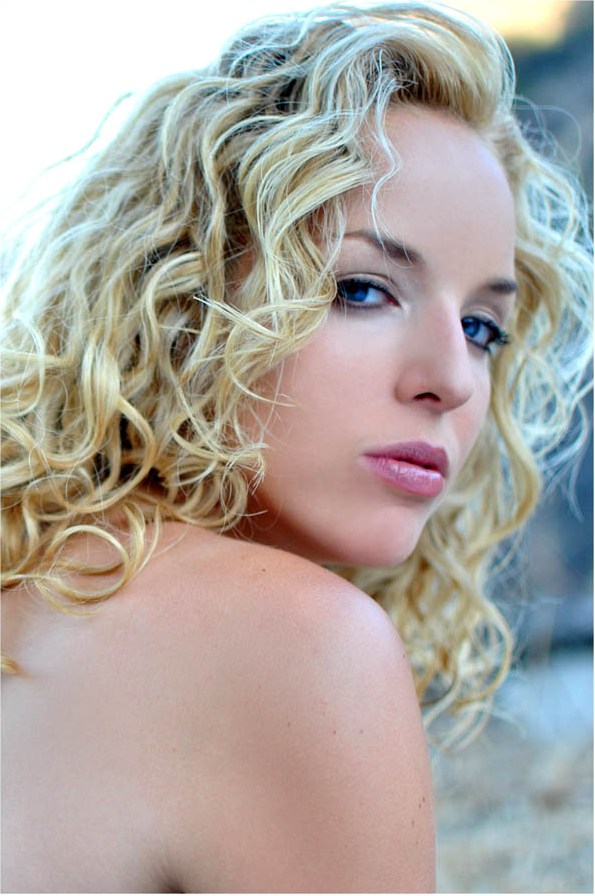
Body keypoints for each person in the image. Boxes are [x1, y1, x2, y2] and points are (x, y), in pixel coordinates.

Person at [1, 2, 591, 892]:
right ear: (187, 292)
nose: (452, 379)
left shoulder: (36, 593)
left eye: (481, 327)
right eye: (362, 290)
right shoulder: (300, 640)